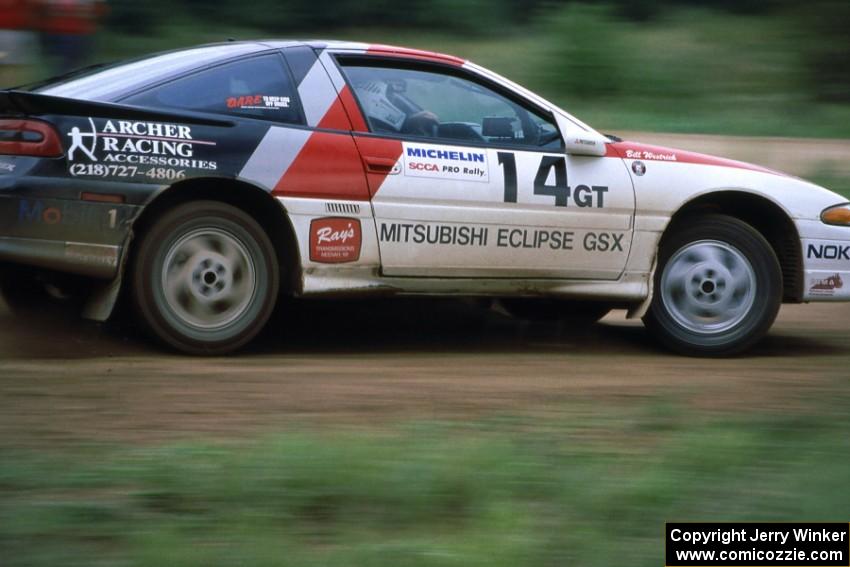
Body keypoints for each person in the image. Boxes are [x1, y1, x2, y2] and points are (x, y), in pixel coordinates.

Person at [35, 0, 106, 75]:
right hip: (74, 33)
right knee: (74, 62)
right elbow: (99, 11)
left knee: (70, 62)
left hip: (67, 32)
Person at [354, 78, 440, 137]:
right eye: (391, 96)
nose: (396, 101)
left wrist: (409, 124)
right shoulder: (378, 132)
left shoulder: (368, 128)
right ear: (375, 101)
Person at [0, 0, 36, 87]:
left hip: (17, 32)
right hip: (9, 31)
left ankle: (10, 86)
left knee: (13, 65)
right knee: (9, 65)